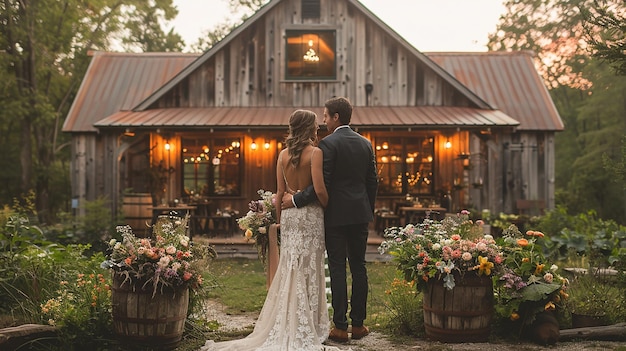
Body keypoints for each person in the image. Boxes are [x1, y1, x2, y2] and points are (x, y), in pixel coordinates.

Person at [200, 110, 344, 351]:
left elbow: (279, 192)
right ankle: (311, 323)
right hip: (310, 217)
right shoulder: (316, 154)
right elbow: (319, 191)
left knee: (290, 266)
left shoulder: (282, 154)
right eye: (315, 126)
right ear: (308, 128)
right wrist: (329, 205)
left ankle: (290, 318)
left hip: (289, 217)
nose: (318, 129)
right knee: (310, 267)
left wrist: (279, 222)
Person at [282, 97, 378, 343]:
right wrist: (368, 209)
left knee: (337, 267)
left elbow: (318, 185)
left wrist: (295, 200)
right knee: (359, 267)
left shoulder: (326, 145)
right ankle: (358, 325)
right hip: (359, 215)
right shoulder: (366, 144)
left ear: (336, 117)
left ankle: (339, 326)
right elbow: (372, 182)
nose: (323, 121)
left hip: (335, 214)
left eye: (325, 116)